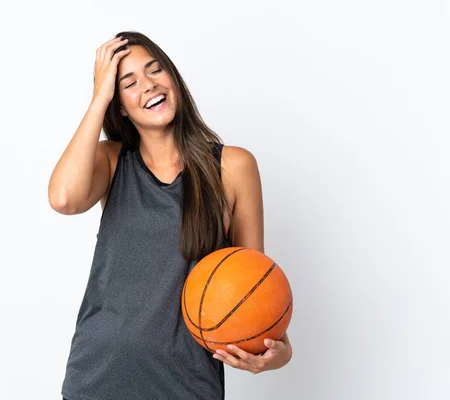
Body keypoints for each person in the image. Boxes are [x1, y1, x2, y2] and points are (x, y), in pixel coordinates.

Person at [48, 31, 292, 400]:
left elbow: (254, 287)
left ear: (173, 78)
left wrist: (280, 353)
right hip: (97, 378)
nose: (147, 85)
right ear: (119, 106)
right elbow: (64, 199)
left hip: (187, 386)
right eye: (128, 83)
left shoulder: (233, 167)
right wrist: (98, 98)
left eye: (155, 70)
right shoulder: (112, 162)